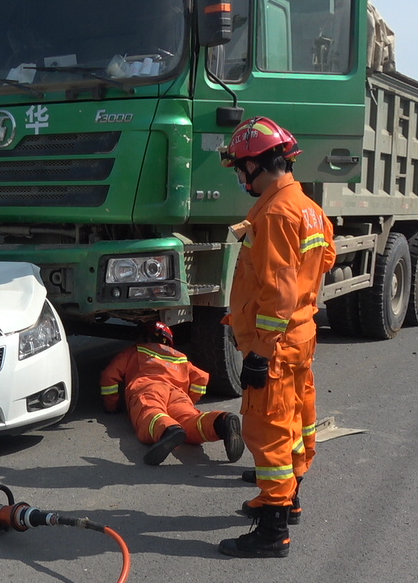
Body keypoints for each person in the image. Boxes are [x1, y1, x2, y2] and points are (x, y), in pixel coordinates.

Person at [216, 117, 337, 558]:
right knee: (297, 420)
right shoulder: (307, 207)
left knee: (266, 430)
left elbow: (279, 290)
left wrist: (260, 352)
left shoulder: (275, 213)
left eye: (239, 168)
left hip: (276, 344)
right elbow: (326, 259)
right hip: (300, 335)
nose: (239, 176)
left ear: (255, 165)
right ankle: (291, 497)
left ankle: (273, 530)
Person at [100, 321, 244, 466]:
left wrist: (111, 406)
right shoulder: (179, 356)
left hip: (149, 388)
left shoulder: (135, 351)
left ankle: (168, 430)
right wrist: (190, 400)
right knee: (190, 420)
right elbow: (201, 378)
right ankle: (220, 422)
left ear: (144, 337)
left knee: (149, 412)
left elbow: (109, 375)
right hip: (177, 393)